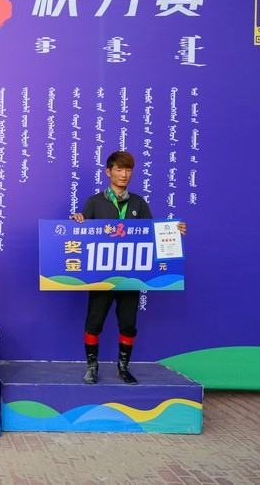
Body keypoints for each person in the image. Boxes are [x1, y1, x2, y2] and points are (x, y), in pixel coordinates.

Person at [69, 151, 186, 385]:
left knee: (128, 324)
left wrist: (173, 232)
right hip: (102, 277)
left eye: (129, 169)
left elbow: (151, 234)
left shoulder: (138, 203)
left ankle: (123, 368)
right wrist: (77, 221)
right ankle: (92, 367)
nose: (124, 174)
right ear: (108, 172)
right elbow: (81, 237)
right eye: (119, 169)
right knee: (94, 322)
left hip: (131, 278)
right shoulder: (94, 202)